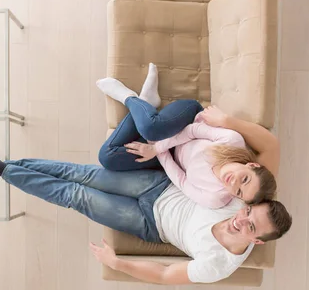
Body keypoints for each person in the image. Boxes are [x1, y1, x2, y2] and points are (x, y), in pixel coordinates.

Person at [0, 152, 292, 285]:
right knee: (81, 174)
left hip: (150, 224)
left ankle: (1, 170)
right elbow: (251, 166)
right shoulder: (242, 203)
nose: (241, 220)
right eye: (248, 212)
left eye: (251, 227)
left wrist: (117, 263)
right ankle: (3, 166)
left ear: (257, 240)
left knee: (77, 196)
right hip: (159, 185)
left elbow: (164, 276)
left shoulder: (219, 264)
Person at [96, 64, 278, 209]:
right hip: (187, 121)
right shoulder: (232, 142)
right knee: (152, 129)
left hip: (167, 154)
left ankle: (146, 104)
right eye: (245, 178)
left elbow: (181, 181)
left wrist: (157, 152)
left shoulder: (216, 198)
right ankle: (128, 98)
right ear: (252, 165)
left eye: (238, 192)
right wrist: (156, 147)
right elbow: (192, 131)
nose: (234, 183)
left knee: (108, 157)